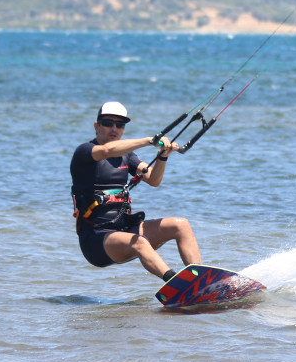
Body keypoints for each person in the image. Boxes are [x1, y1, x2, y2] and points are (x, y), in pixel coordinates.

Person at [70, 101, 201, 282]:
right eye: (108, 123)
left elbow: (153, 180)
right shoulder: (85, 151)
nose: (114, 128)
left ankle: (201, 279)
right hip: (95, 239)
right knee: (139, 242)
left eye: (120, 124)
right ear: (96, 126)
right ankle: (177, 283)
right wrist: (149, 140)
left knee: (181, 225)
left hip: (124, 230)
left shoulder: (127, 156)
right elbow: (107, 150)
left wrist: (163, 156)